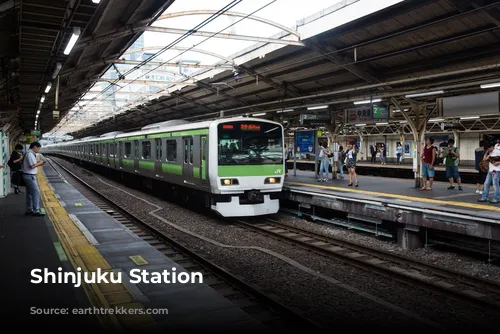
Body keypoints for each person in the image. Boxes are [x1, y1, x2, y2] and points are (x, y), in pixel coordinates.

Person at [21, 142, 45, 216]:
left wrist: (37, 163)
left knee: (29, 194)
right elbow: (32, 166)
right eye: (38, 148)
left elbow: (32, 164)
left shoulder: (28, 153)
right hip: (30, 176)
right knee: (36, 192)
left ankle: (29, 209)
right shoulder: (30, 154)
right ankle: (36, 211)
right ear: (34, 147)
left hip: (27, 175)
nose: (38, 150)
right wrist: (40, 163)